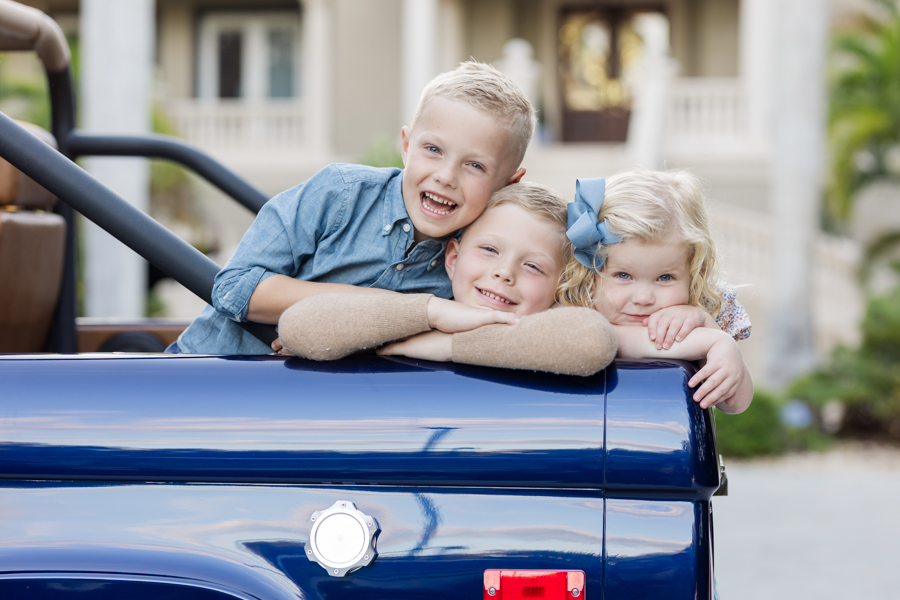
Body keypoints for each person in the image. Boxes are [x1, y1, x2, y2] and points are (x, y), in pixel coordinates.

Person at [170, 61, 535, 354]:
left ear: (508, 183)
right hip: (207, 375)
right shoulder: (339, 193)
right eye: (433, 150)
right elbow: (234, 289)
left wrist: (342, 335)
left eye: (475, 166)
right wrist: (415, 310)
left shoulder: (480, 264)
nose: (446, 176)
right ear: (406, 146)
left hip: (318, 409)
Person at [276, 182, 618, 377]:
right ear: (452, 260)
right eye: (489, 249)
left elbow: (592, 340)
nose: (504, 272)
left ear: (560, 285)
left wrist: (446, 347)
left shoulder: (551, 332)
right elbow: (296, 326)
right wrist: (434, 313)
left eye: (533, 266)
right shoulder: (421, 316)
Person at [563, 169, 753, 414]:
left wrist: (711, 328)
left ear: (693, 273)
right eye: (623, 275)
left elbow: (734, 404)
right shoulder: (573, 310)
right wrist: (709, 341)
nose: (644, 298)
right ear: (589, 272)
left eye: (665, 278)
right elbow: (610, 340)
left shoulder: (694, 317)